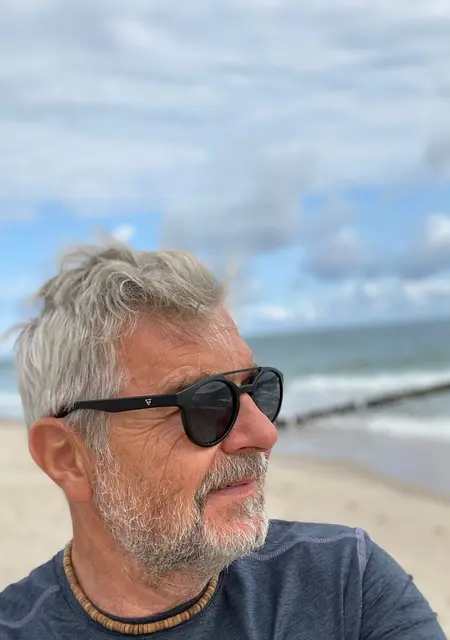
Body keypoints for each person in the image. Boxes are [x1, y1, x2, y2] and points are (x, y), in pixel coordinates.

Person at [0, 242, 445, 640]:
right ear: (68, 458)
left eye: (257, 390)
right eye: (206, 404)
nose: (264, 434)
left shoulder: (347, 584)